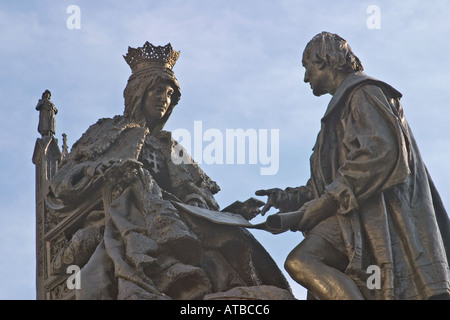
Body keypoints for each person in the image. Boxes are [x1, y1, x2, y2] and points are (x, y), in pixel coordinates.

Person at [47, 42, 292, 300]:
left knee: (229, 244)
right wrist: (101, 169)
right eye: (158, 91)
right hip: (121, 215)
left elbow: (194, 192)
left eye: (169, 95)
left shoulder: (170, 145)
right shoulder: (107, 131)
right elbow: (63, 180)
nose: (164, 99)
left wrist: (222, 211)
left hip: (175, 217)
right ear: (138, 92)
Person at [257, 32, 450, 300]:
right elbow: (325, 183)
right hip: (351, 213)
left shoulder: (364, 93)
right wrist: (289, 198)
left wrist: (327, 201)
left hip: (371, 216)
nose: (305, 77)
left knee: (301, 260)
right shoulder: (342, 108)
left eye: (307, 67)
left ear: (324, 60)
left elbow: (379, 152)